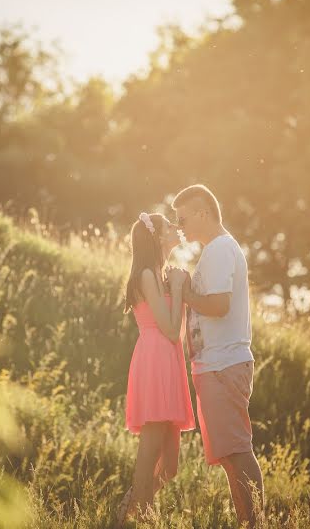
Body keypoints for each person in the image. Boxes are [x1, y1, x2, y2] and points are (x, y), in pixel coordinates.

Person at [173, 184, 264, 527]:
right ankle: (247, 520)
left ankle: (255, 522)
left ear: (202, 213)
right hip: (214, 365)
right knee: (228, 455)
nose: (179, 226)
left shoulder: (220, 250)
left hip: (224, 365)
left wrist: (184, 294)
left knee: (238, 451)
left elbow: (220, 305)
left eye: (182, 218)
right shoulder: (215, 250)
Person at [115, 212, 195, 526]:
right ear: (158, 237)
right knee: (150, 453)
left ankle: (126, 510)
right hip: (155, 359)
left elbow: (178, 327)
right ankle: (145, 519)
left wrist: (177, 288)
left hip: (169, 359)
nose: (177, 229)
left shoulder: (161, 273)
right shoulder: (148, 275)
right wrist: (176, 288)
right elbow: (171, 331)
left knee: (170, 466)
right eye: (170, 226)